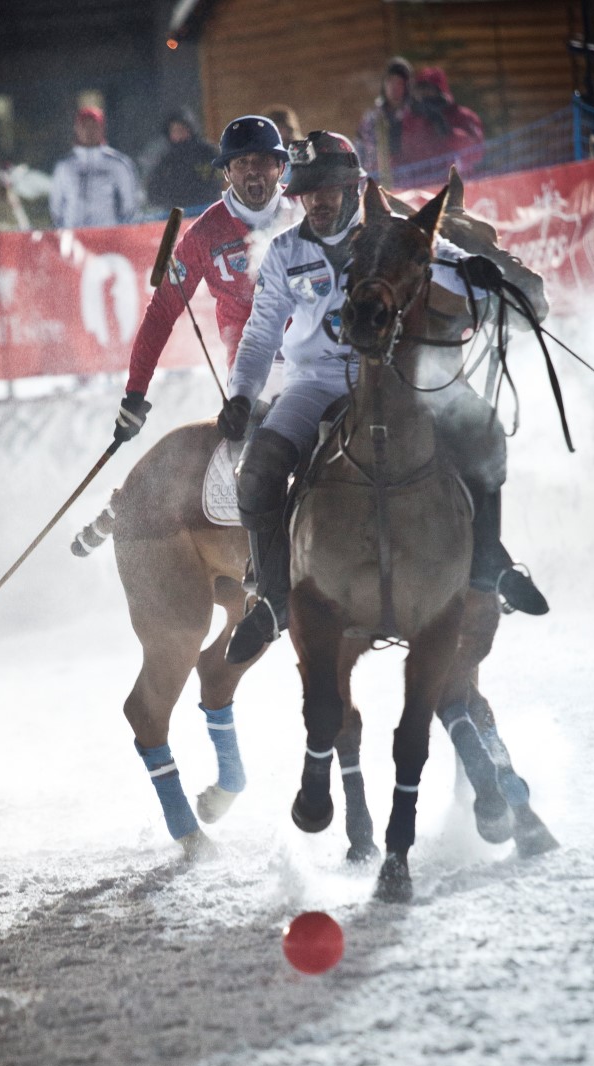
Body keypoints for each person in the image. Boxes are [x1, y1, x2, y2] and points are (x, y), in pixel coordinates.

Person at [216, 130, 545, 665]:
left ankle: (489, 564)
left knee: (479, 432)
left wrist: (487, 277)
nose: (316, 201)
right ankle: (276, 601)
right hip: (314, 381)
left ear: (353, 188)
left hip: (389, 375)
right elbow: (260, 335)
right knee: (257, 471)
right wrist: (241, 394)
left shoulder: (389, 236)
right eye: (307, 191)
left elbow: (455, 265)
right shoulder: (284, 252)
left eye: (328, 189)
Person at [109, 115, 301, 453]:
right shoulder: (204, 234)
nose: (253, 170)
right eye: (241, 162)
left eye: (262, 161)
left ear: (280, 167)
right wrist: (136, 393)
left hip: (316, 354)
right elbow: (162, 312)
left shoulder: (307, 209)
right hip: (254, 374)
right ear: (227, 172)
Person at [357, 56, 483, 188]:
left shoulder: (453, 115)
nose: (394, 87)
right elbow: (365, 153)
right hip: (399, 187)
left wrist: (449, 134)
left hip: (442, 185)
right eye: (390, 81)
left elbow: (472, 152)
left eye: (400, 83)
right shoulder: (376, 120)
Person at [49, 106, 140, 229]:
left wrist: (118, 233)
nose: (89, 131)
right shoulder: (65, 166)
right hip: (73, 238)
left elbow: (130, 206)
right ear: (77, 129)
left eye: (94, 126)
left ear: (102, 128)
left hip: (106, 237)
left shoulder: (118, 164)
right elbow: (56, 208)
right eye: (84, 126)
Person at [145, 107, 222, 212]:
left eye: (182, 130)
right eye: (175, 131)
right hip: (175, 214)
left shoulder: (207, 153)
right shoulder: (165, 159)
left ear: (190, 130)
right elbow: (154, 189)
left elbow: (217, 181)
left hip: (205, 210)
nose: (179, 134)